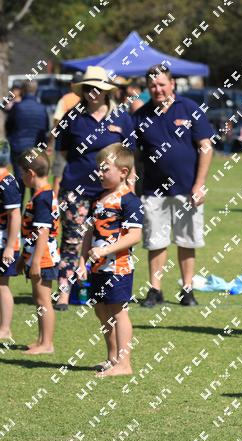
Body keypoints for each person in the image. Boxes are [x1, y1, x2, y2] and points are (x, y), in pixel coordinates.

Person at [133, 64, 214, 307]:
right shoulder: (141, 115)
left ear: (172, 84)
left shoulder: (189, 108)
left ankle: (187, 290)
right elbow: (132, 154)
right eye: (152, 86)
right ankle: (155, 290)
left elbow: (205, 146)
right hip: (153, 190)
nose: (157, 89)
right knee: (155, 242)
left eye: (162, 84)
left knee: (187, 241)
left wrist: (199, 184)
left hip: (188, 189)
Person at [54, 66, 135, 311]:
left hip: (111, 192)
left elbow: (129, 155)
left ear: (106, 91)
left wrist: (129, 186)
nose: (93, 92)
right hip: (76, 188)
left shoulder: (121, 118)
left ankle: (105, 290)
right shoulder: (72, 117)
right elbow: (63, 153)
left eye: (97, 88)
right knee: (72, 240)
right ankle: (64, 292)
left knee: (107, 240)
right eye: (88, 87)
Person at [78, 144, 142, 378]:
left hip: (118, 267)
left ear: (123, 172)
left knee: (118, 311)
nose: (100, 173)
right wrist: (81, 261)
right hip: (97, 267)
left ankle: (124, 364)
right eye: (99, 169)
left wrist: (105, 250)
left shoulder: (129, 201)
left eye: (105, 169)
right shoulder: (98, 198)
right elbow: (89, 232)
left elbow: (135, 235)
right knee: (101, 309)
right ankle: (112, 358)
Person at [17, 151, 59, 355]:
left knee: (44, 300)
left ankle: (47, 344)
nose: (21, 177)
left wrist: (35, 261)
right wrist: (24, 257)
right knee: (38, 298)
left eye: (21, 173)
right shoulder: (41, 194)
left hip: (43, 258)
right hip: (36, 255)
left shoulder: (43, 197)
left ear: (31, 173)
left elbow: (43, 232)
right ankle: (42, 339)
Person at [5, 80, 49, 199]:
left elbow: (9, 126)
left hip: (18, 148)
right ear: (36, 90)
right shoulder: (42, 108)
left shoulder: (17, 107)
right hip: (35, 149)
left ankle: (18, 208)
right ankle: (36, 207)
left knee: (20, 180)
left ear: (23, 90)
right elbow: (45, 129)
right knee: (36, 181)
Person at [0, 140, 22, 341]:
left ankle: (5, 329)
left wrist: (9, 247)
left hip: (4, 242)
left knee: (2, 284)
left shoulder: (6, 181)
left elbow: (15, 215)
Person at [49, 72, 82, 197]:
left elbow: (57, 122)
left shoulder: (65, 99)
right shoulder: (87, 99)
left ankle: (56, 201)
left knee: (59, 175)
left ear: (72, 84)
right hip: (80, 141)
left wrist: (50, 142)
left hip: (63, 142)